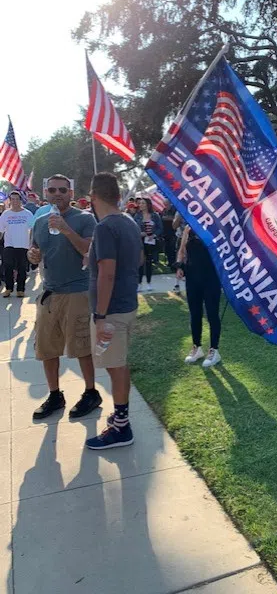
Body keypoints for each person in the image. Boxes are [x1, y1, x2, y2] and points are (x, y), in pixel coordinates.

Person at [27, 174, 102, 419]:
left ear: (71, 193)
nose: (57, 194)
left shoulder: (84, 219)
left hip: (77, 292)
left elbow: (88, 250)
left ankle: (91, 392)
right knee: (47, 349)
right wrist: (32, 256)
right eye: (52, 190)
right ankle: (55, 395)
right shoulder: (40, 221)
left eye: (62, 190)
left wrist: (66, 229)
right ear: (45, 193)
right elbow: (35, 250)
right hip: (49, 293)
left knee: (81, 346)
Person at [86, 172, 143, 449]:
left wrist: (100, 315)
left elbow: (107, 273)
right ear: (118, 196)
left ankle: (122, 427)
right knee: (118, 363)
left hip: (111, 312)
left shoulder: (105, 227)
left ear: (93, 197)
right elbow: (139, 259)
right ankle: (121, 417)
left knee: (116, 366)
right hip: (126, 305)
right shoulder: (129, 222)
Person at [176, 226, 222, 367]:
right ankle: (196, 347)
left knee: (212, 314)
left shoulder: (215, 226)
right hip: (192, 277)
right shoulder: (188, 228)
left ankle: (214, 350)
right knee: (195, 313)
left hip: (211, 278)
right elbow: (182, 250)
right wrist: (179, 266)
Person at [0, 192, 33, 298]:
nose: (15, 201)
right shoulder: (5, 214)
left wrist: (32, 243)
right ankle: (8, 288)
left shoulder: (27, 214)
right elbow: (1, 230)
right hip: (9, 245)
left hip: (23, 245)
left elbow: (32, 229)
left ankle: (20, 289)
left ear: (21, 200)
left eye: (17, 199)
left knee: (22, 268)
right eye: (13, 199)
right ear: (10, 201)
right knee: (8, 266)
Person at [135, 198, 163, 292]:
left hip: (151, 241)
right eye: (140, 203)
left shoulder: (155, 216)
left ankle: (149, 283)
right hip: (140, 240)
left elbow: (160, 228)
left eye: (143, 203)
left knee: (149, 261)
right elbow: (133, 227)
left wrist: (154, 235)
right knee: (140, 262)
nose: (141, 205)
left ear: (148, 205)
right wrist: (139, 233)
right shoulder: (137, 216)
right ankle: (139, 283)